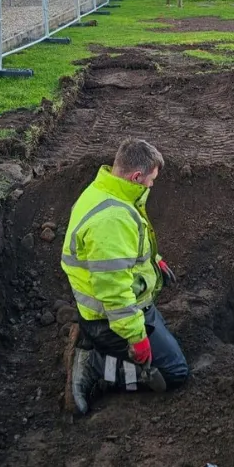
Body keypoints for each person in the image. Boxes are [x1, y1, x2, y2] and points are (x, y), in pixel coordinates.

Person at [64, 138, 189, 415]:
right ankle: (95, 364)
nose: (152, 186)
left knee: (166, 343)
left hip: (118, 304)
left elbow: (123, 252)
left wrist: (155, 262)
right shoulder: (113, 218)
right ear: (136, 176)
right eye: (151, 180)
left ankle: (94, 343)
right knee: (174, 373)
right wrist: (136, 338)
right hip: (107, 319)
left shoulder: (107, 190)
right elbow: (115, 293)